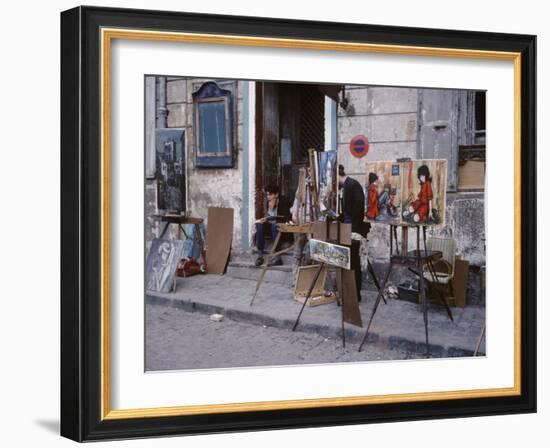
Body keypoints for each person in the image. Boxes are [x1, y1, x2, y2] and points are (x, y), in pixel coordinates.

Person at [338, 165, 370, 300]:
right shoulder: (345, 186)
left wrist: (353, 230)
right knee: (348, 261)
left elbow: (359, 208)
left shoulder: (352, 184)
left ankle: (356, 294)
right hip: (347, 229)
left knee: (354, 262)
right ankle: (349, 292)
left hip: (354, 230)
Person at [253, 185, 291, 267]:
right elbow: (269, 217)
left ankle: (277, 257)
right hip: (272, 226)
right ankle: (260, 255)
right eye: (267, 195)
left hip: (282, 228)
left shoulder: (284, 201)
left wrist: (272, 218)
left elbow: (285, 218)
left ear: (276, 194)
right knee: (259, 225)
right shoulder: (268, 203)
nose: (268, 197)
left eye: (270, 195)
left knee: (274, 226)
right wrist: (266, 219)